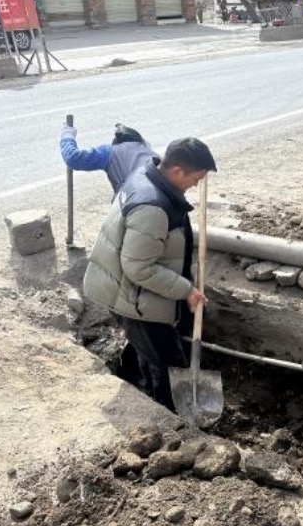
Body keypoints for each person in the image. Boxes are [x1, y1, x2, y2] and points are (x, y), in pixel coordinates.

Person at [83, 138, 216, 412]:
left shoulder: (148, 173)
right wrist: (186, 290)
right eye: (196, 179)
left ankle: (140, 382)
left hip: (128, 287)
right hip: (132, 297)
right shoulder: (152, 208)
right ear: (177, 170)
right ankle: (167, 414)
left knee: (150, 349)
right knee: (167, 361)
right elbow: (138, 268)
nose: (196, 186)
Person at [60, 122, 158, 197]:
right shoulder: (152, 154)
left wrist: (67, 136)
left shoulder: (111, 151)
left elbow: (73, 158)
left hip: (138, 203)